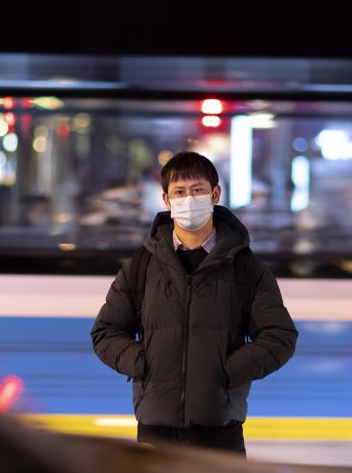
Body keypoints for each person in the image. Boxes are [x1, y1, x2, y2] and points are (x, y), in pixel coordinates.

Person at [90, 152, 297, 456]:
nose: (189, 199)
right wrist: (145, 364)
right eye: (179, 192)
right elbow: (106, 332)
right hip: (155, 430)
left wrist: (226, 371)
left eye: (198, 190)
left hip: (220, 432)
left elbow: (279, 336)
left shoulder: (245, 267)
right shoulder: (142, 266)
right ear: (166, 199)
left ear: (215, 194)